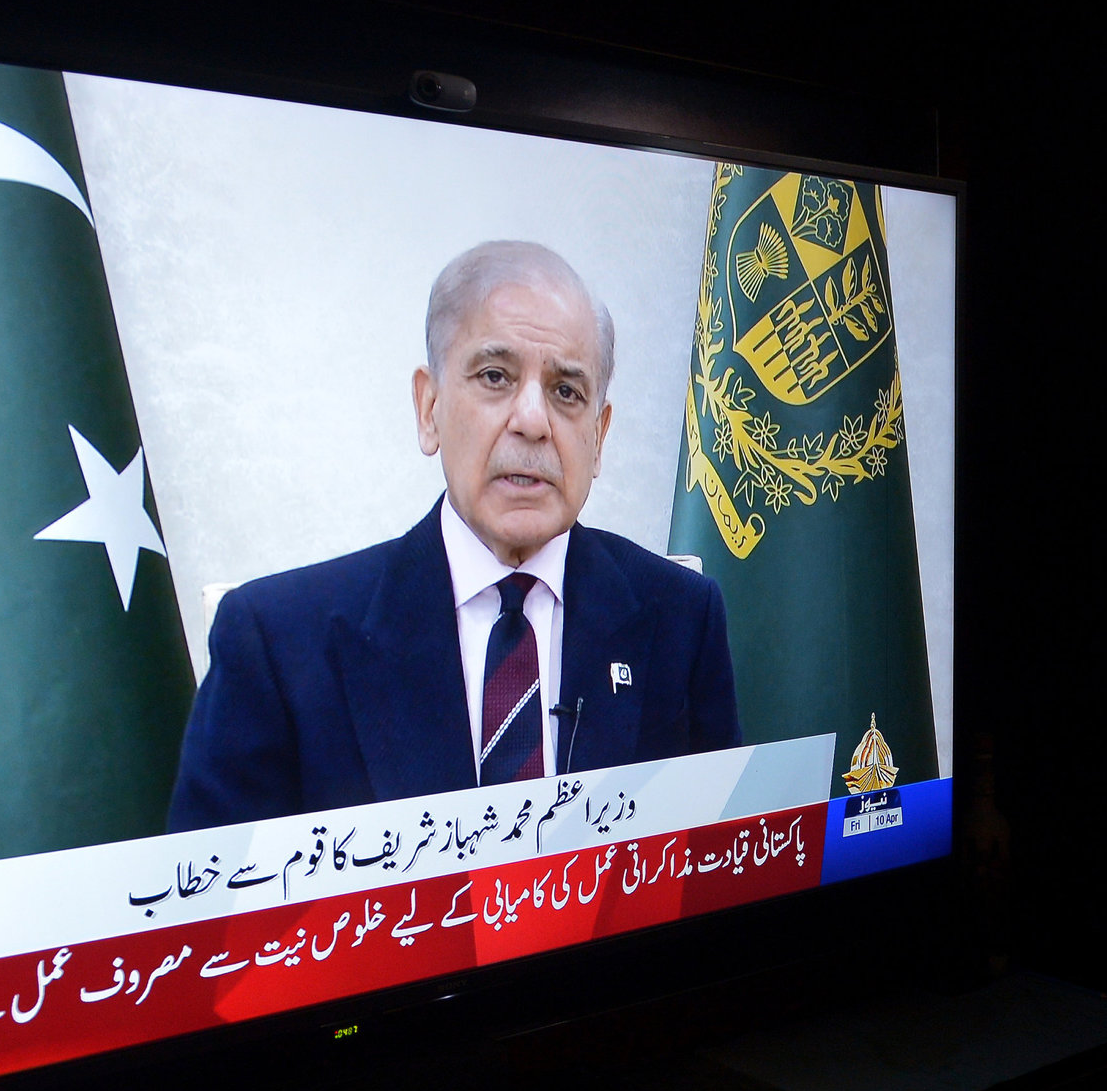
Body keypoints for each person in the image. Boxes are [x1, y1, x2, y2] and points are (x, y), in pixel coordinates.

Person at [168, 240, 741, 833]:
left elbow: (723, 862)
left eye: (566, 392)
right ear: (429, 408)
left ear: (599, 435)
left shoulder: (681, 619)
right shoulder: (276, 643)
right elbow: (217, 890)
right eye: (495, 377)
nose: (533, 421)